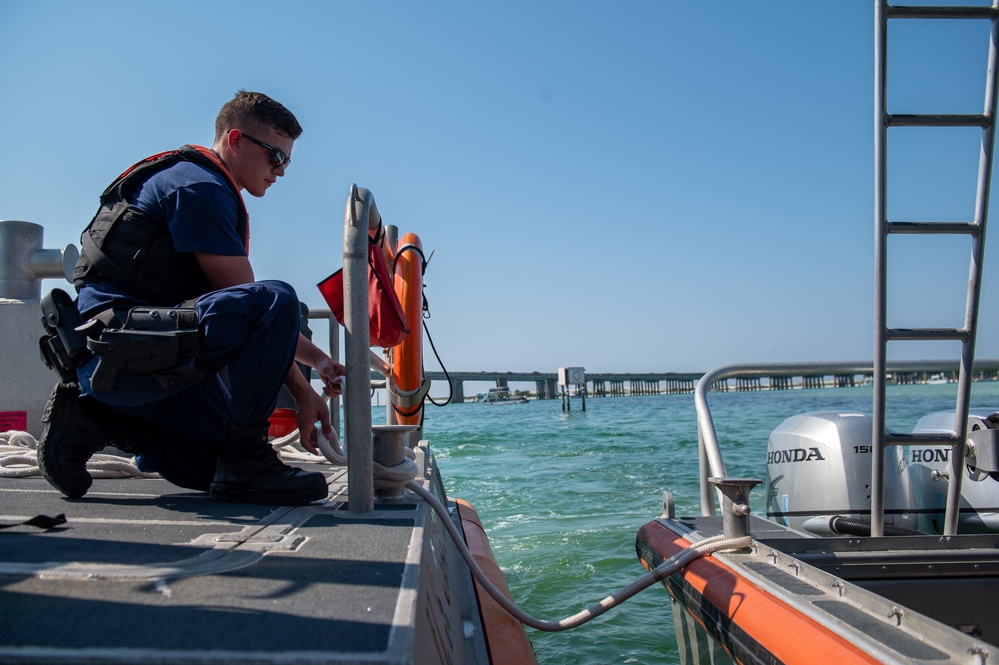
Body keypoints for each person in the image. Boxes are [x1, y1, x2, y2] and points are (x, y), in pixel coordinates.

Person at [38, 90, 344, 505]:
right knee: (277, 298)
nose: (281, 171)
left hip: (129, 357)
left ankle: (95, 417)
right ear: (235, 141)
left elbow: (250, 317)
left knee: (210, 469)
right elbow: (260, 311)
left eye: (287, 160)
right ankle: (247, 459)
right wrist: (304, 393)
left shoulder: (189, 179)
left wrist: (320, 362)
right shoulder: (199, 187)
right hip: (129, 351)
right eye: (276, 156)